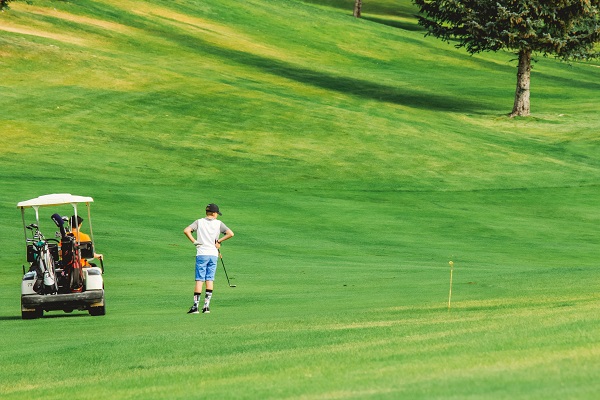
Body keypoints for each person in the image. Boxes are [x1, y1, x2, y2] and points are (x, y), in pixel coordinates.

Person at [183, 203, 234, 314]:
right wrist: (219, 241)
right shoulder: (218, 223)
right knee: (209, 279)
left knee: (199, 280)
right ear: (214, 213)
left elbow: (186, 230)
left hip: (202, 254)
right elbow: (230, 234)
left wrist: (194, 242)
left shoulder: (199, 222)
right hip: (213, 254)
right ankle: (206, 307)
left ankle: (195, 307)